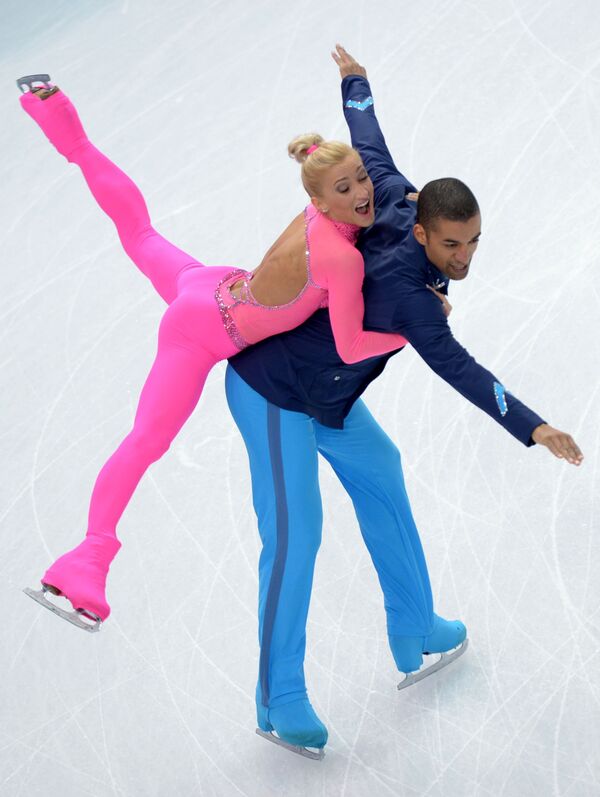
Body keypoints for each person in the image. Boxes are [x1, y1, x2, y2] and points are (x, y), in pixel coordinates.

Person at [224, 45, 584, 758]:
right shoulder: (410, 301)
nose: (465, 257)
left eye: (474, 240)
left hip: (330, 393)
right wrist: (534, 423)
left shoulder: (398, 193)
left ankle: (415, 628)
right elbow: (462, 369)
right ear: (423, 232)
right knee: (297, 537)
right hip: (272, 393)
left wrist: (354, 83)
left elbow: (369, 142)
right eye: (453, 245)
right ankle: (278, 697)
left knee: (382, 470)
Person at [18, 75, 418, 634]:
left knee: (138, 231)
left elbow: (370, 162)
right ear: (319, 199)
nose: (361, 192)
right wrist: (413, 330)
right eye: (346, 186)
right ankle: (89, 554)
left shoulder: (326, 211)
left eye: (361, 181)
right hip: (201, 328)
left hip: (207, 280)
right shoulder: (338, 255)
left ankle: (62, 123)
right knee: (146, 439)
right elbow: (352, 345)